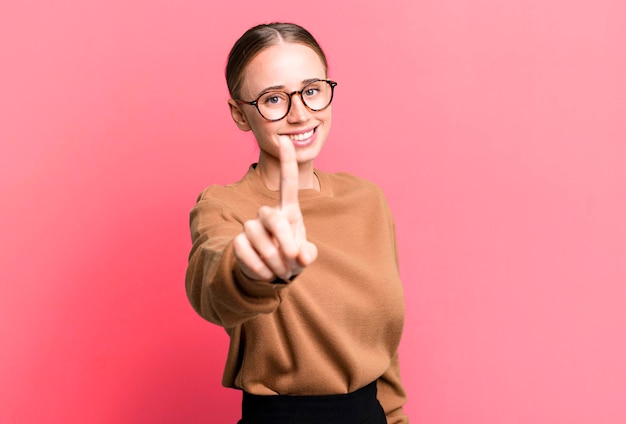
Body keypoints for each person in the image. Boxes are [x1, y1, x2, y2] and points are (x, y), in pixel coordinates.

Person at [185, 22, 409, 424]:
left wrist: (395, 419)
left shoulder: (368, 200)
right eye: (274, 99)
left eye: (311, 90)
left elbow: (383, 347)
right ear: (240, 114)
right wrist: (252, 272)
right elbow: (212, 285)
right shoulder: (224, 206)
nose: (301, 113)